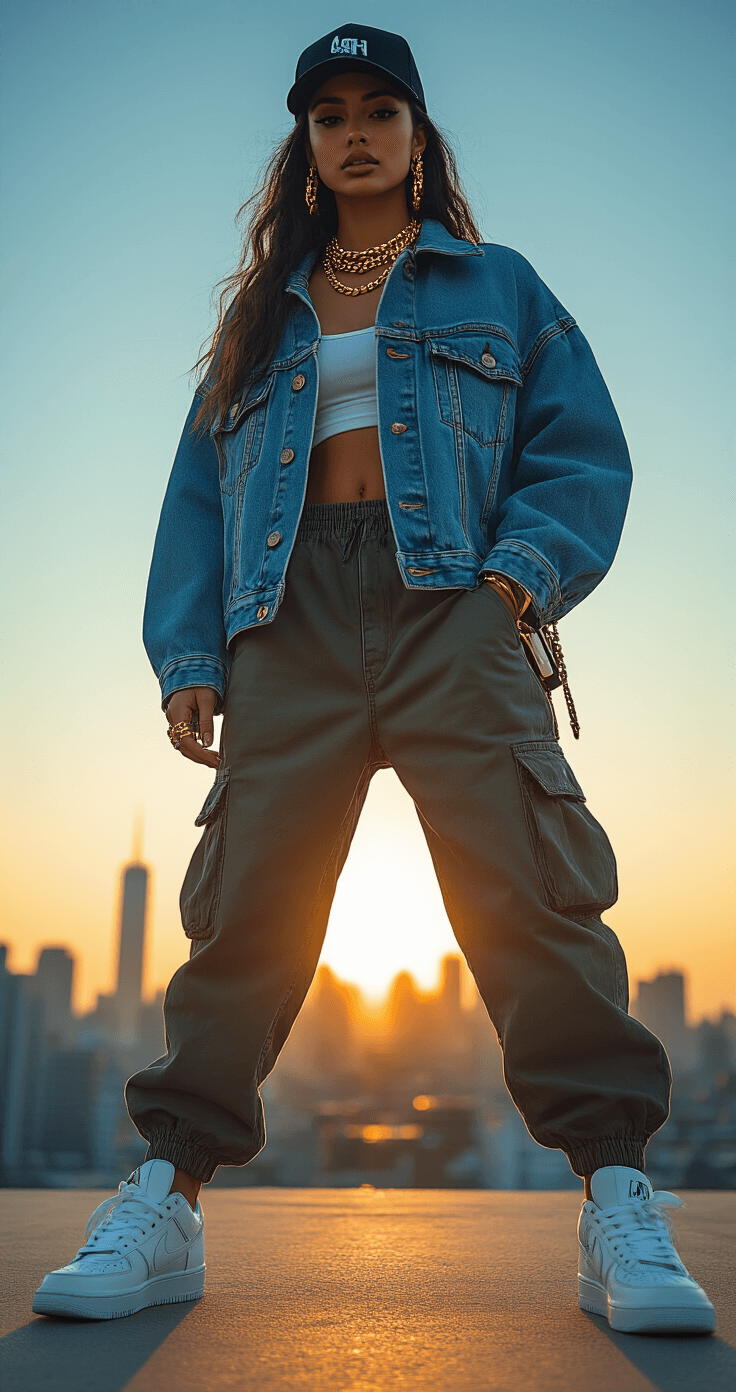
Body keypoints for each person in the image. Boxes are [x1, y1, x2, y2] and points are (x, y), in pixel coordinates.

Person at [34, 23, 714, 1334]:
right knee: (249, 913)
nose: (354, 130)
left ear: (416, 137)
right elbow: (192, 501)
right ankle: (165, 1200)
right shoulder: (256, 318)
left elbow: (585, 454)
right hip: (281, 626)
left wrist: (513, 582)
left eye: (379, 109)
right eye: (329, 111)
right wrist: (190, 654)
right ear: (306, 140)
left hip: (450, 606)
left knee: (529, 892)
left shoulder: (498, 285)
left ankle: (620, 1203)